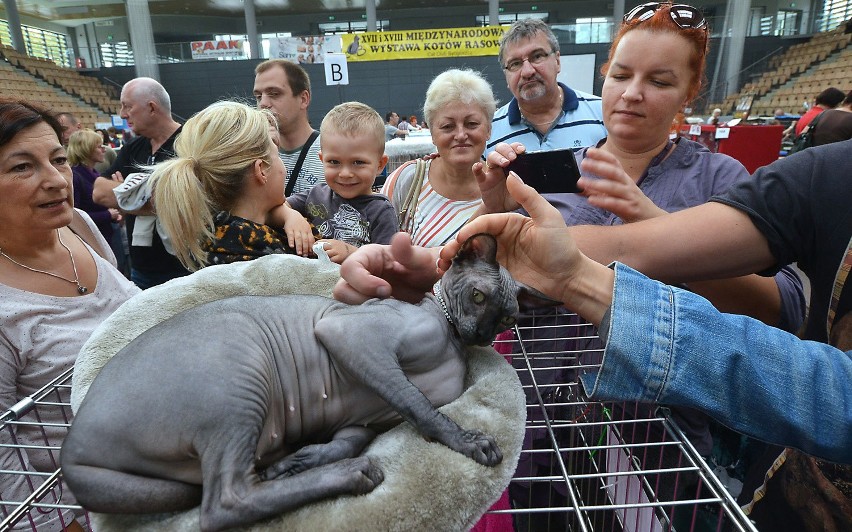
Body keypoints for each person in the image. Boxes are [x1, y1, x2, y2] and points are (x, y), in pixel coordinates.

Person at [0, 98, 140, 531]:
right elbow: (4, 458)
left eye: (58, 160)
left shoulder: (77, 225)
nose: (57, 180)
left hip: (149, 477)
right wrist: (66, 525)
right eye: (23, 167)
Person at [146, 101, 312, 272]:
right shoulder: (279, 259)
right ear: (261, 170)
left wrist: (286, 214)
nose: (283, 166)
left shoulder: (211, 241)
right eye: (278, 155)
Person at [91, 77, 188, 289]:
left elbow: (188, 200)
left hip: (186, 268)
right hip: (142, 269)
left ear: (152, 108)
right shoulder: (133, 148)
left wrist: (127, 193)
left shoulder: (190, 143)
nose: (122, 114)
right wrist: (154, 198)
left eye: (127, 106)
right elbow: (99, 192)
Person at [381, 69, 496, 248]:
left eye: (471, 124)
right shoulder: (406, 180)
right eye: (448, 126)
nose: (460, 134)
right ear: (432, 134)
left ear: (488, 129)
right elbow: (379, 252)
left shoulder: (503, 186)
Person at [286, 102, 397, 264]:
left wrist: (352, 253)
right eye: (334, 162)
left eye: (358, 162)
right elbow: (278, 207)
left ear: (380, 164)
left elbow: (390, 263)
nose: (345, 173)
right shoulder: (315, 194)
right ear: (322, 160)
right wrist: (291, 216)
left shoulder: (381, 211)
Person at [488, 18, 606, 153]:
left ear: (557, 61)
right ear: (506, 76)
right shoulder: (489, 132)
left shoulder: (603, 114)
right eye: (515, 63)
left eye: (537, 56)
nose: (527, 72)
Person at [253, 59, 323, 195]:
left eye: (274, 94)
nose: (263, 103)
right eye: (258, 96)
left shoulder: (332, 153)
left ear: (303, 99)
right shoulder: (253, 157)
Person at [67, 129, 121, 242]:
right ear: (86, 149)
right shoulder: (75, 177)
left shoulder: (95, 173)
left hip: (104, 234)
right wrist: (107, 215)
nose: (104, 150)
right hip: (90, 239)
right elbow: (74, 216)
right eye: (99, 146)